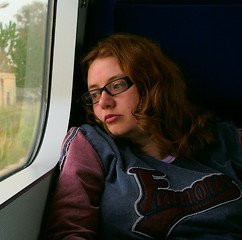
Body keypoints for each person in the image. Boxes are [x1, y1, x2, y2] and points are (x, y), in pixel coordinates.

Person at [42, 33, 242, 239]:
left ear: (152, 83)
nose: (103, 102)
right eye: (94, 94)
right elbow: (69, 231)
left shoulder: (228, 140)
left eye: (116, 85)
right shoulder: (93, 146)